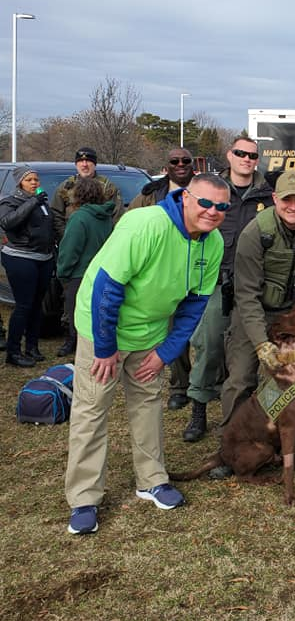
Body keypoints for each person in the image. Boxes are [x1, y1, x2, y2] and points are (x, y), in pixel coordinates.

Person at [64, 173, 227, 535]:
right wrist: (105, 349)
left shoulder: (212, 243)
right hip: (102, 327)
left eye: (221, 206)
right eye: (205, 202)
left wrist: (165, 353)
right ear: (185, 197)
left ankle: (152, 479)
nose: (213, 212)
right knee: (93, 409)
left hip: (149, 334)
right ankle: (84, 497)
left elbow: (194, 305)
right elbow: (107, 288)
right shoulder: (146, 224)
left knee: (148, 403)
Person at [220, 170, 295, 479]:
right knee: (241, 375)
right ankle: (231, 447)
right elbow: (245, 293)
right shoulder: (254, 233)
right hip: (257, 311)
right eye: (286, 199)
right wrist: (262, 343)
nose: (292, 206)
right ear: (274, 199)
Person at [182, 135, 274, 443]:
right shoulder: (213, 191)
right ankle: (198, 409)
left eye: (252, 155)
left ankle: (238, 418)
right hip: (215, 282)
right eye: (241, 153)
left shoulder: (269, 194)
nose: (247, 159)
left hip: (253, 287)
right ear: (229, 155)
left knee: (242, 358)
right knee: (208, 347)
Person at [128, 147, 196, 408]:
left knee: (205, 336)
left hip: (199, 269)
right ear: (166, 166)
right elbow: (130, 224)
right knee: (173, 331)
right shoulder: (150, 195)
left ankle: (208, 383)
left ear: (193, 165)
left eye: (185, 161)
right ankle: (179, 386)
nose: (180, 165)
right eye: (174, 161)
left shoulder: (204, 190)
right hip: (163, 274)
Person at [0, 166, 54, 367]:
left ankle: (32, 346)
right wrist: (32, 202)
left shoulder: (43, 202)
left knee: (37, 304)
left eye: (36, 179)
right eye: (29, 179)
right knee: (24, 305)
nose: (34, 183)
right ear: (20, 182)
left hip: (44, 257)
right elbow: (8, 222)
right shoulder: (10, 201)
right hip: (20, 257)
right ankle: (13, 351)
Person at [55, 176, 115, 358]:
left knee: (78, 321)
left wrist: (63, 274)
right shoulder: (106, 218)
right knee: (95, 320)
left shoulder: (79, 218)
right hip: (102, 275)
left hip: (79, 277)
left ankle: (83, 360)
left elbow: (70, 250)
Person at [50, 147, 123, 242]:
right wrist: (67, 236)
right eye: (81, 161)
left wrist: (108, 240)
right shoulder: (65, 187)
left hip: (100, 242)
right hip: (72, 240)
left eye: (88, 161)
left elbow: (117, 217)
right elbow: (56, 214)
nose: (84, 165)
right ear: (76, 164)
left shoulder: (108, 187)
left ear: (95, 164)